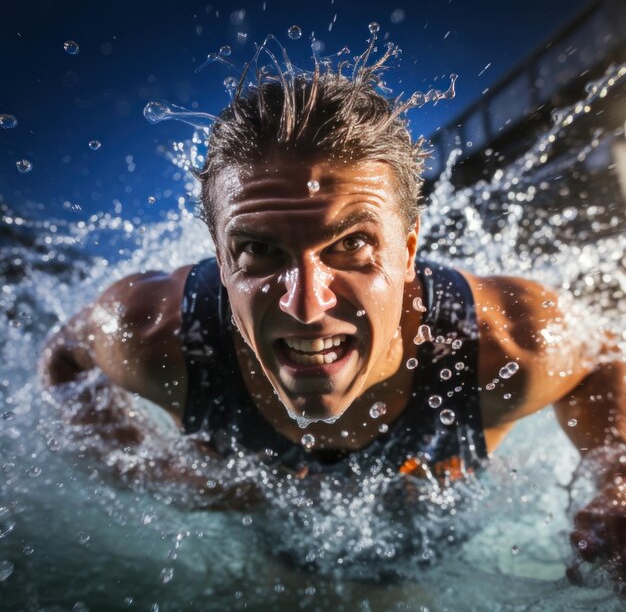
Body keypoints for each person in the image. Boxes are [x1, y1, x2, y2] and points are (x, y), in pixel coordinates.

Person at [40, 47, 625, 583]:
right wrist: (161, 477)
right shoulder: (154, 334)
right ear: (220, 261)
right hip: (270, 556)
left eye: (351, 245)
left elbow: (605, 357)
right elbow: (65, 360)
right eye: (259, 251)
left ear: (409, 249)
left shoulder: (505, 345)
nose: (307, 306)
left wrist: (616, 483)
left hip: (435, 558)